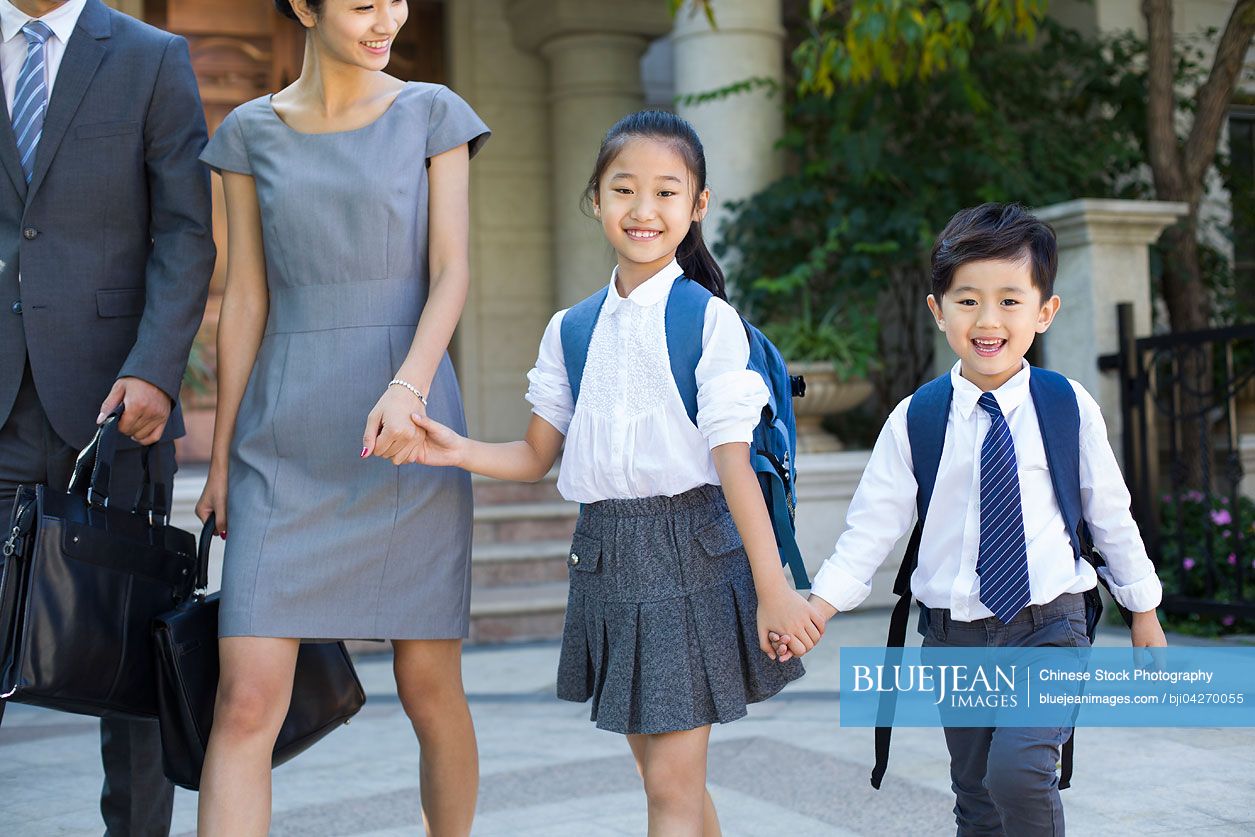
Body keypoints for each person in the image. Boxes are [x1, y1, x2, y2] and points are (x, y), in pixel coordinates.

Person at [409, 109, 821, 835]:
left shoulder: (708, 321)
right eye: (623, 188)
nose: (643, 209)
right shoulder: (571, 328)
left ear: (696, 208)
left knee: (668, 786)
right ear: (595, 198)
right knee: (668, 780)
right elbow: (537, 454)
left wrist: (773, 590)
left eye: (667, 192)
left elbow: (734, 464)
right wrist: (454, 448)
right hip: (603, 559)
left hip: (691, 553)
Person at [192, 0, 488, 834]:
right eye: (362, 4)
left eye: (395, 0)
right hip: (280, 438)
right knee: (245, 701)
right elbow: (245, 295)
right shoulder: (250, 130)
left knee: (430, 691)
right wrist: (220, 462)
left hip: (407, 432)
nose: (385, 18)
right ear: (305, 6)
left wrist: (410, 386)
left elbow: (452, 271)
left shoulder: (432, 113)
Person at [787, 203, 1168, 835]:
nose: (988, 320)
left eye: (1010, 301)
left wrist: (1144, 610)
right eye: (967, 301)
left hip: (1050, 627)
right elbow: (870, 529)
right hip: (955, 639)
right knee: (976, 794)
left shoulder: (1067, 407)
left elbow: (1110, 515)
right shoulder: (917, 418)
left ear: (1044, 312)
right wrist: (819, 607)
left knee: (1018, 771)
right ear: (938, 311)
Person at [0, 0, 214, 833]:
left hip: (117, 411)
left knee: (130, 665)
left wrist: (156, 370)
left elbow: (187, 231)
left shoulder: (150, 56)